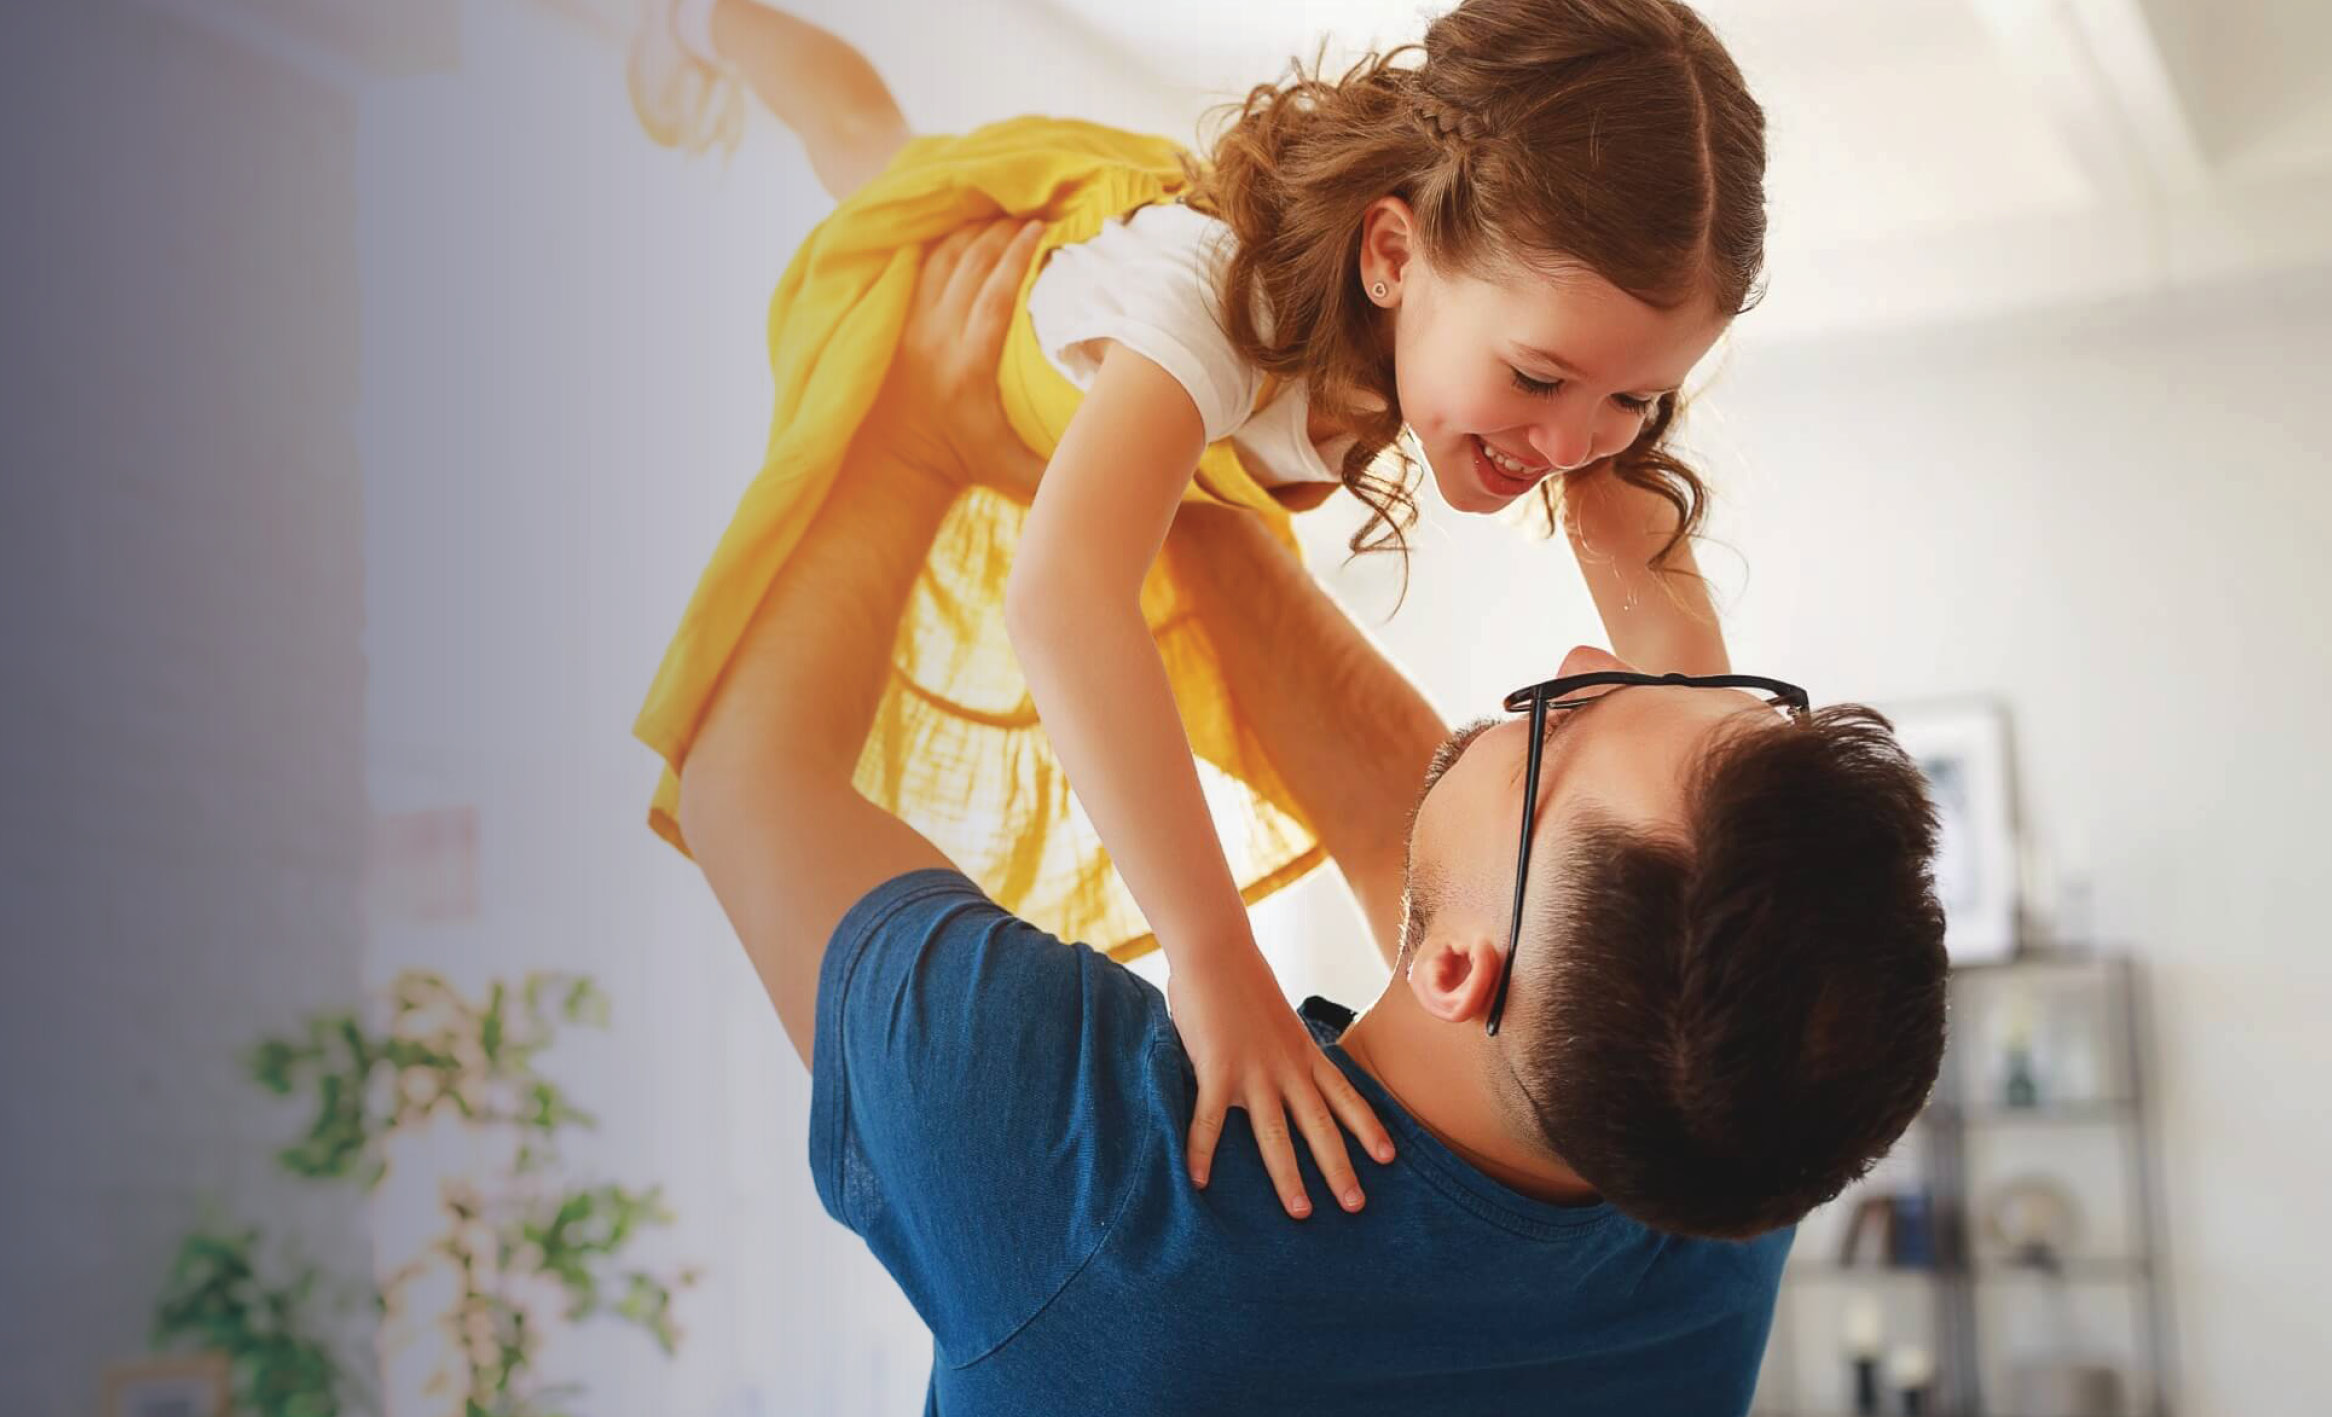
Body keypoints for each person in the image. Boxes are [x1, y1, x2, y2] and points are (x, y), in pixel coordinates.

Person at [670, 222, 1949, 1412]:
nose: (1573, 659)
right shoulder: (1721, 1168)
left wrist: (912, 434)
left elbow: (743, 782)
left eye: (1565, 723)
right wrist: (1170, 439)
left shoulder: (1096, 1191)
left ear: (1458, 970)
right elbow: (1453, 844)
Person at [631, 0, 1772, 1207]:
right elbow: (1063, 602)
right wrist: (1214, 960)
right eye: (1537, 378)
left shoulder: (1571, 352)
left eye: (1636, 401)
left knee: (869, 138)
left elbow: (1682, 698)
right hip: (958, 320)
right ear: (1390, 256)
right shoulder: (1216, 306)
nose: (1570, 442)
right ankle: (704, 20)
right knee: (866, 147)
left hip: (1155, 378)